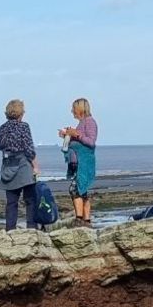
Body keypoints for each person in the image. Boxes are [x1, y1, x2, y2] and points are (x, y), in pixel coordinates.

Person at [0, 99, 39, 231]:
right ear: (21, 113)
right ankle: (31, 227)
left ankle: (10, 229)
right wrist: (35, 165)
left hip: (8, 165)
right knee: (30, 199)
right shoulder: (24, 126)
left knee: (11, 202)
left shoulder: (2, 128)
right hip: (23, 163)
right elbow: (28, 147)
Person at [57, 97, 98, 226]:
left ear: (80, 109)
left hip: (84, 163)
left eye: (73, 108)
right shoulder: (82, 123)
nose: (72, 111)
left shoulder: (90, 122)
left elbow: (91, 142)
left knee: (74, 189)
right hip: (77, 163)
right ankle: (87, 220)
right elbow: (78, 139)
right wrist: (67, 135)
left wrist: (76, 134)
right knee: (82, 190)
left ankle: (79, 218)